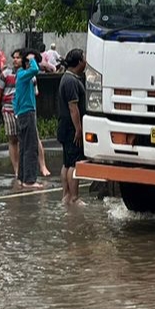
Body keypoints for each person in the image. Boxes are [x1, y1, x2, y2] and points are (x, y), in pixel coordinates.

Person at [56, 48, 88, 206]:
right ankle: (74, 197)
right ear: (79, 61)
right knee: (74, 163)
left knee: (67, 162)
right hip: (70, 128)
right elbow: (73, 108)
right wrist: (78, 128)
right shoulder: (71, 81)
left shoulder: (69, 78)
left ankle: (66, 195)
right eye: (84, 57)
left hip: (65, 126)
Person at [0, 48, 22, 185]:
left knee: (22, 139)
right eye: (14, 57)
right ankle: (16, 169)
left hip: (23, 110)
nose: (15, 60)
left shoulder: (29, 75)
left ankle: (22, 168)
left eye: (18, 57)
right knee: (12, 139)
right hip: (8, 109)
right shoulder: (5, 74)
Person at [13, 51, 44, 189]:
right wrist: (31, 59)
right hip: (27, 113)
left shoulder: (20, 76)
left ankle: (22, 177)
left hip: (22, 113)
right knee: (31, 147)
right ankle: (30, 180)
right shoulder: (24, 75)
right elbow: (35, 69)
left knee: (24, 147)